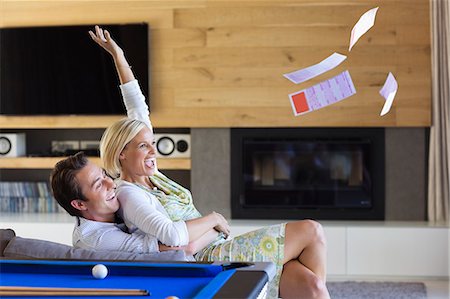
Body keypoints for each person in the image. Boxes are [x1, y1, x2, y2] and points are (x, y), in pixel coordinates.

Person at [91, 26, 330, 299]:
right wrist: (213, 219)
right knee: (311, 231)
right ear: (122, 152)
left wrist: (118, 56)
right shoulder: (129, 192)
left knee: (312, 285)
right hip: (210, 259)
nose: (152, 151)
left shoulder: (150, 172)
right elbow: (175, 239)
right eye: (144, 146)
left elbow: (137, 106)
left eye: (152, 143)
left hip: (220, 244)